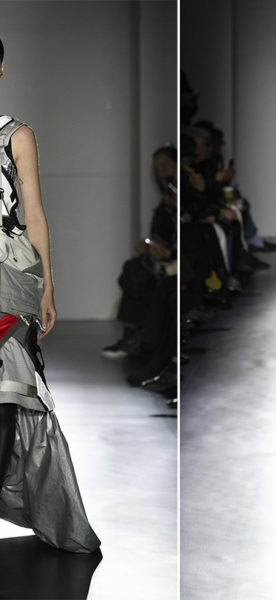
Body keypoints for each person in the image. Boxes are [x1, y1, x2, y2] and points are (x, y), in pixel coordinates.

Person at [0, 38, 100, 553]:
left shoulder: (17, 135)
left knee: (8, 393)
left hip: (8, 274)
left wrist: (48, 285)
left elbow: (34, 212)